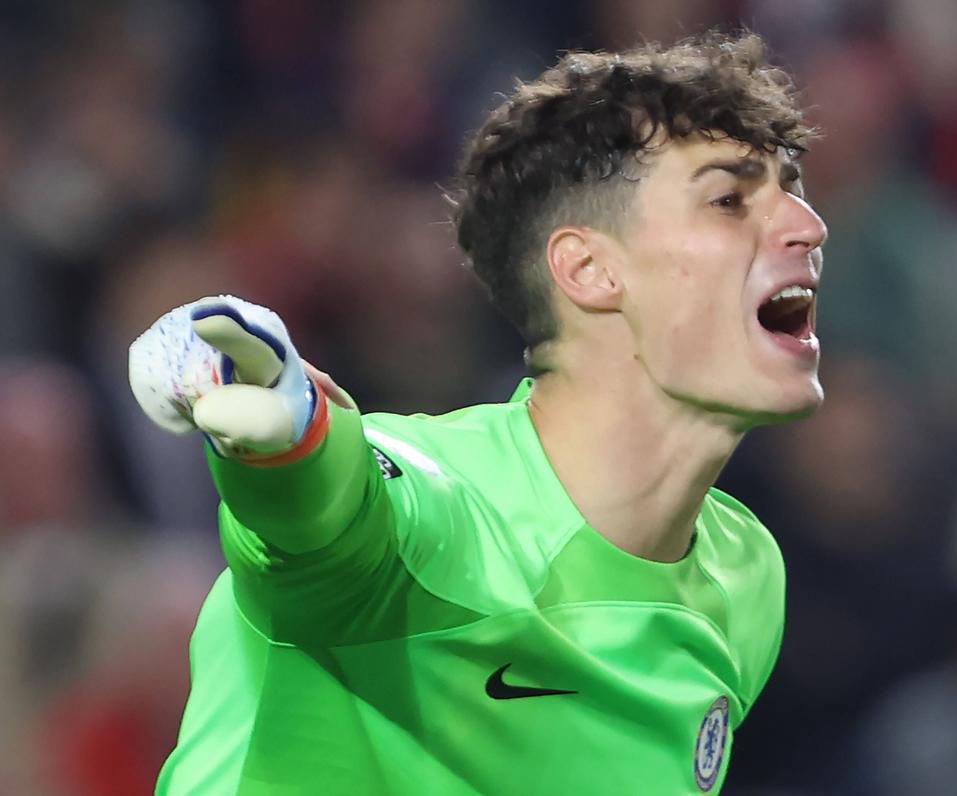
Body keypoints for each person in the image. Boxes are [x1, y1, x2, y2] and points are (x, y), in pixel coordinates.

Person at [129, 32, 827, 796]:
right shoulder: (443, 511)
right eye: (730, 199)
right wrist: (290, 442)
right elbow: (333, 517)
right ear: (589, 271)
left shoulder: (746, 576)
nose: (808, 227)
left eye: (791, 190)